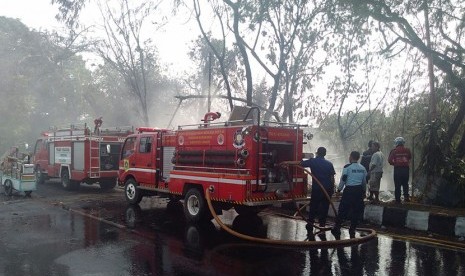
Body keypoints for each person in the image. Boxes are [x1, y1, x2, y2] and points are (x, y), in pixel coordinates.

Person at [282, 147, 336, 239]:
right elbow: (332, 178)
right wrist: (333, 189)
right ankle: (322, 224)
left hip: (317, 188)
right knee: (325, 206)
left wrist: (287, 162)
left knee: (314, 206)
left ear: (317, 153)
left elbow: (299, 163)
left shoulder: (313, 161)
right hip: (328, 189)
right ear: (325, 154)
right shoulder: (329, 164)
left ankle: (310, 224)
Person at [331, 151, 367, 239]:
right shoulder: (363, 168)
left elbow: (343, 180)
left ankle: (337, 227)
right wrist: (364, 192)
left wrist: (339, 190)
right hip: (358, 191)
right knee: (356, 210)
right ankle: (352, 229)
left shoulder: (347, 167)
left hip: (349, 191)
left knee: (343, 209)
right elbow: (364, 182)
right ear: (358, 158)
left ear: (351, 157)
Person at [388, 137, 412, 203]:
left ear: (396, 143)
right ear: (403, 143)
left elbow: (389, 160)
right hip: (405, 169)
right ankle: (406, 198)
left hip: (397, 170)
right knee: (405, 184)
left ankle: (398, 200)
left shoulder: (394, 151)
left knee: (397, 185)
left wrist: (395, 164)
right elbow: (409, 157)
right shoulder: (407, 150)